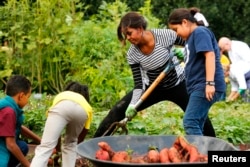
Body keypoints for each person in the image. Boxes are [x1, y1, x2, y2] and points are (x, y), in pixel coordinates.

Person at [94, 11, 216, 138]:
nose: (128, 38)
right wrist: (132, 104)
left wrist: (184, 51)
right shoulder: (132, 54)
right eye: (126, 36)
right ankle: (92, 146)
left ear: (140, 28)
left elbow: (193, 43)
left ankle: (215, 149)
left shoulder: (165, 35)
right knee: (118, 110)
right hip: (152, 88)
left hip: (178, 84)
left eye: (129, 33)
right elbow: (139, 84)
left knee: (199, 115)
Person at [168, 8, 226, 135]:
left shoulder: (200, 32)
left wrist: (210, 83)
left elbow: (209, 55)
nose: (176, 34)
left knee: (190, 121)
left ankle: (199, 154)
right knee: (198, 122)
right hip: (197, 86)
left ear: (184, 22)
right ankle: (204, 152)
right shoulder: (190, 39)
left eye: (175, 29)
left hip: (204, 84)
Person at [30, 81, 93, 167]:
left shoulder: (63, 95)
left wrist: (58, 149)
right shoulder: (85, 103)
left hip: (62, 106)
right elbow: (83, 132)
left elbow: (56, 133)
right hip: (82, 111)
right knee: (70, 144)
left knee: (46, 146)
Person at [0, 75, 41, 167]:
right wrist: (28, 165)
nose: (28, 101)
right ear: (21, 96)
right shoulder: (8, 111)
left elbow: (18, 127)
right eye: (28, 97)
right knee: (19, 147)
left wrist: (39, 140)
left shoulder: (7, 104)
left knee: (22, 146)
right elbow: (10, 145)